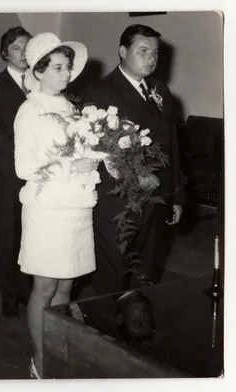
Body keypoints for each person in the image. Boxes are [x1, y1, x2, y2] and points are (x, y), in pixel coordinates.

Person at [81, 24, 185, 295]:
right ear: (123, 51)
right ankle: (105, 329)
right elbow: (99, 151)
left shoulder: (160, 90)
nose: (151, 57)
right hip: (118, 201)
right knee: (113, 269)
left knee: (147, 268)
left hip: (156, 198)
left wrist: (175, 196)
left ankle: (138, 325)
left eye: (155, 52)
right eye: (143, 51)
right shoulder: (100, 92)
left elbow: (171, 145)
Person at [14, 32, 95, 379]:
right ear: (40, 71)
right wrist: (71, 167)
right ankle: (40, 358)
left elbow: (80, 152)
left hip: (74, 207)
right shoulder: (29, 110)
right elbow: (23, 167)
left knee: (66, 286)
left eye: (68, 67)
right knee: (45, 287)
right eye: (59, 67)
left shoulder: (69, 107)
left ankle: (59, 346)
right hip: (47, 210)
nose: (67, 73)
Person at [0, 26, 33, 318]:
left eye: (27, 47)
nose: (23, 53)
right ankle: (9, 296)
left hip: (39, 173)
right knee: (9, 235)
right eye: (16, 48)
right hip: (8, 171)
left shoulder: (40, 82)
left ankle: (27, 290)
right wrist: (28, 155)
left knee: (32, 233)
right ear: (4, 53)